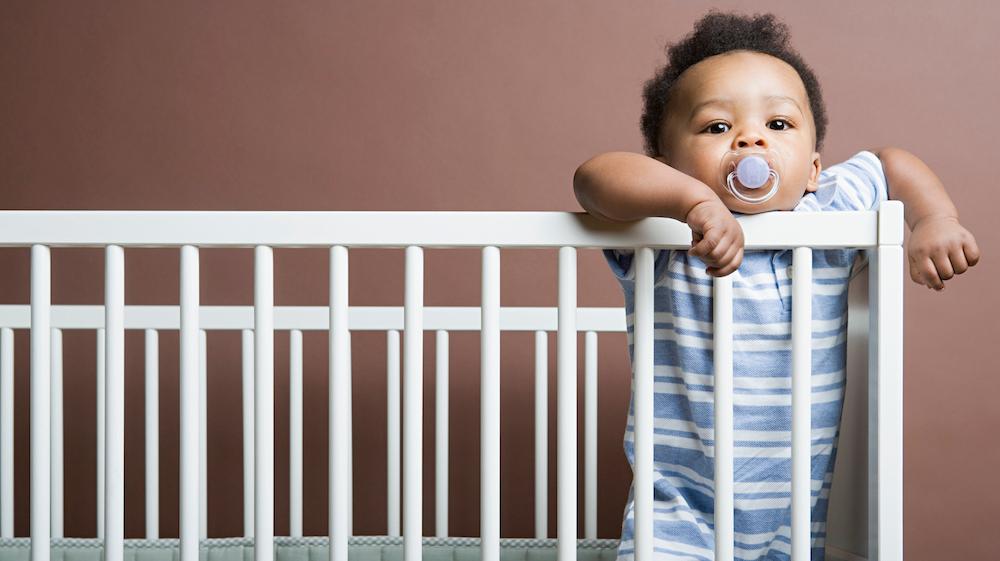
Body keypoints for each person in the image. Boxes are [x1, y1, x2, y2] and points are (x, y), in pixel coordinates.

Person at [573, 9, 981, 561]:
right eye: (717, 127)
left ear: (814, 170)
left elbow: (891, 164)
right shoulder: (668, 234)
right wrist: (691, 203)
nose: (750, 140)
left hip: (790, 523)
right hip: (678, 516)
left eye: (779, 125)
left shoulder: (828, 212)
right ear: (667, 164)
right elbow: (593, 177)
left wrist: (935, 220)